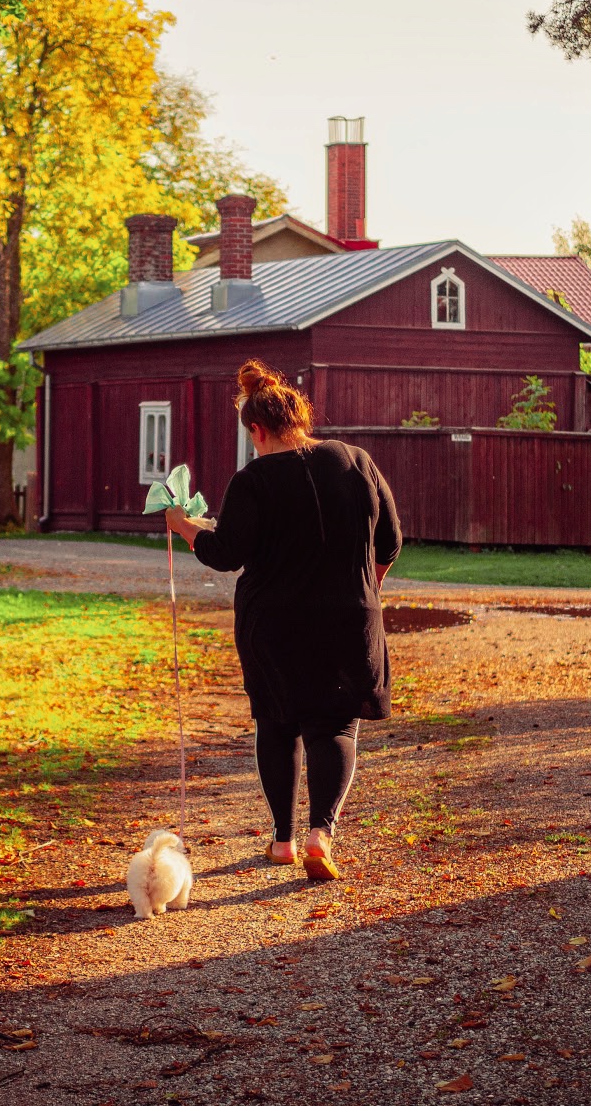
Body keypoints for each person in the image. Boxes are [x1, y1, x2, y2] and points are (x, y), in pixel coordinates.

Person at [165, 359, 401, 880]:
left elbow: (227, 552)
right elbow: (390, 542)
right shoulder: (356, 460)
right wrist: (367, 585)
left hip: (274, 625)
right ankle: (321, 832)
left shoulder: (254, 480)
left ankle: (283, 841)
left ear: (258, 429)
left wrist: (184, 527)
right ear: (300, 419)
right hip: (349, 617)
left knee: (278, 721)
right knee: (334, 722)